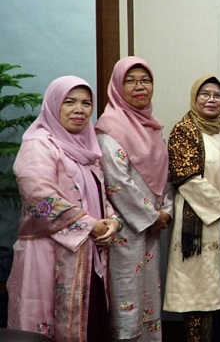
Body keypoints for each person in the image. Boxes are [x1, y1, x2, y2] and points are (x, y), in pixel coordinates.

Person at [7, 76, 120, 342]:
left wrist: (113, 221)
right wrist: (90, 225)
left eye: (86, 103)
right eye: (69, 102)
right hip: (48, 255)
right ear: (53, 104)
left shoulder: (87, 150)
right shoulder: (39, 145)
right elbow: (39, 197)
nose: (79, 109)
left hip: (88, 256)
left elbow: (100, 196)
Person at [95, 56, 173, 341]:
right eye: (130, 81)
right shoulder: (109, 129)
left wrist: (165, 211)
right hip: (124, 229)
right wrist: (151, 217)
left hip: (154, 226)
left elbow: (166, 177)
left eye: (145, 80)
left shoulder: (153, 127)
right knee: (126, 293)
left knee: (149, 293)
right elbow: (118, 183)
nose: (140, 86)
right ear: (117, 86)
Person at [164, 75, 220, 342]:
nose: (211, 99)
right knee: (198, 291)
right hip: (196, 225)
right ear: (195, 97)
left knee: (217, 289)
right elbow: (186, 178)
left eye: (217, 95)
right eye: (205, 94)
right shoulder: (185, 129)